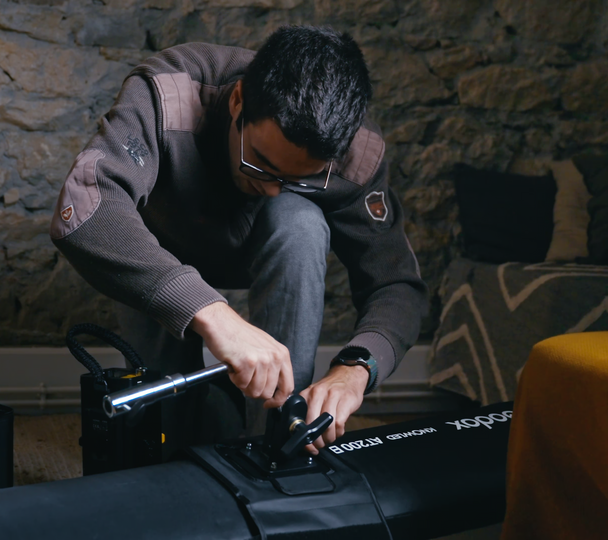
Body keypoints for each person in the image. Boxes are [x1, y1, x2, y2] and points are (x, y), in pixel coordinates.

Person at [50, 26, 427, 455]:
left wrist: (356, 369)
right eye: (260, 162)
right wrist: (213, 314)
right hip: (159, 253)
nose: (271, 188)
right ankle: (202, 420)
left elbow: (396, 285)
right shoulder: (168, 92)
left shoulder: (356, 152)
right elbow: (84, 209)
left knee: (300, 221)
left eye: (296, 179)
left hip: (276, 246)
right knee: (163, 436)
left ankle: (276, 445)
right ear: (237, 100)